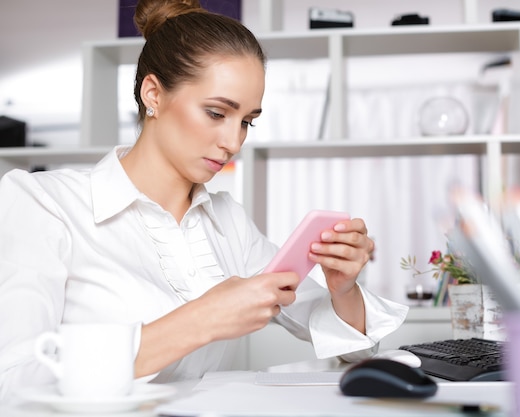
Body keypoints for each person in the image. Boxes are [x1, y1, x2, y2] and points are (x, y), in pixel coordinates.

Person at [0, 0, 407, 402]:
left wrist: (343, 288)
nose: (234, 142)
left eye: (247, 121)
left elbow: (354, 349)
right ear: (153, 94)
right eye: (216, 113)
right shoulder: (44, 204)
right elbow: (12, 380)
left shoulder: (229, 223)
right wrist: (201, 320)